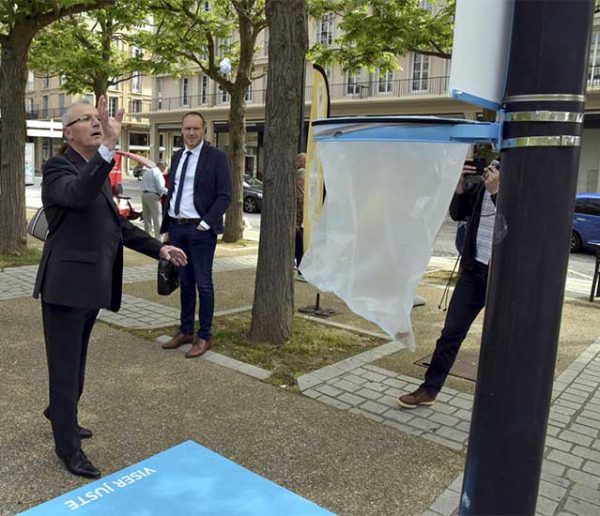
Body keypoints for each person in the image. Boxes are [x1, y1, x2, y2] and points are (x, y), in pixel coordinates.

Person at [33, 97, 187, 478]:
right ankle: (67, 448)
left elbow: (117, 226)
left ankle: (62, 413)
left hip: (91, 288)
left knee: (78, 364)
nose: (95, 122)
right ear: (68, 134)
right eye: (85, 119)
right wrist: (108, 151)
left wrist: (160, 248)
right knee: (65, 369)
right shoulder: (58, 168)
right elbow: (76, 196)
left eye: (96, 117)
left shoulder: (95, 170)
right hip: (65, 288)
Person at [398, 159, 500, 408]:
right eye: (491, 165)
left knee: (504, 341)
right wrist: (459, 187)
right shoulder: (481, 186)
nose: (491, 170)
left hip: (506, 278)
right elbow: (457, 213)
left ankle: (501, 401)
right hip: (473, 271)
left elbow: (523, 223)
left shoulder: (521, 188)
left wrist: (498, 192)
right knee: (451, 334)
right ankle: (429, 389)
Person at [160, 112, 232, 358]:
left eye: (196, 129)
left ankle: (205, 336)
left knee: (204, 284)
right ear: (182, 130)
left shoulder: (216, 158)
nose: (191, 133)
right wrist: (166, 228)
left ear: (204, 131)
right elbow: (172, 191)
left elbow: (225, 195)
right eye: (187, 128)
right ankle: (186, 330)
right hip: (177, 229)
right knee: (186, 283)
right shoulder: (178, 156)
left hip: (200, 231)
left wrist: (205, 224)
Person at [141, 162, 168, 239]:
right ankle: (159, 239)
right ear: (162, 167)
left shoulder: (147, 171)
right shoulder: (157, 173)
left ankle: (147, 238)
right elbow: (160, 188)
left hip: (144, 195)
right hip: (153, 196)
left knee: (147, 218)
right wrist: (170, 192)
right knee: (157, 219)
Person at [294, 152, 306, 281]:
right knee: (299, 249)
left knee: (299, 249)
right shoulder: (296, 192)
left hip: (300, 225)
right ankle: (301, 272)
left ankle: (301, 270)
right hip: (296, 225)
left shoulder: (302, 191)